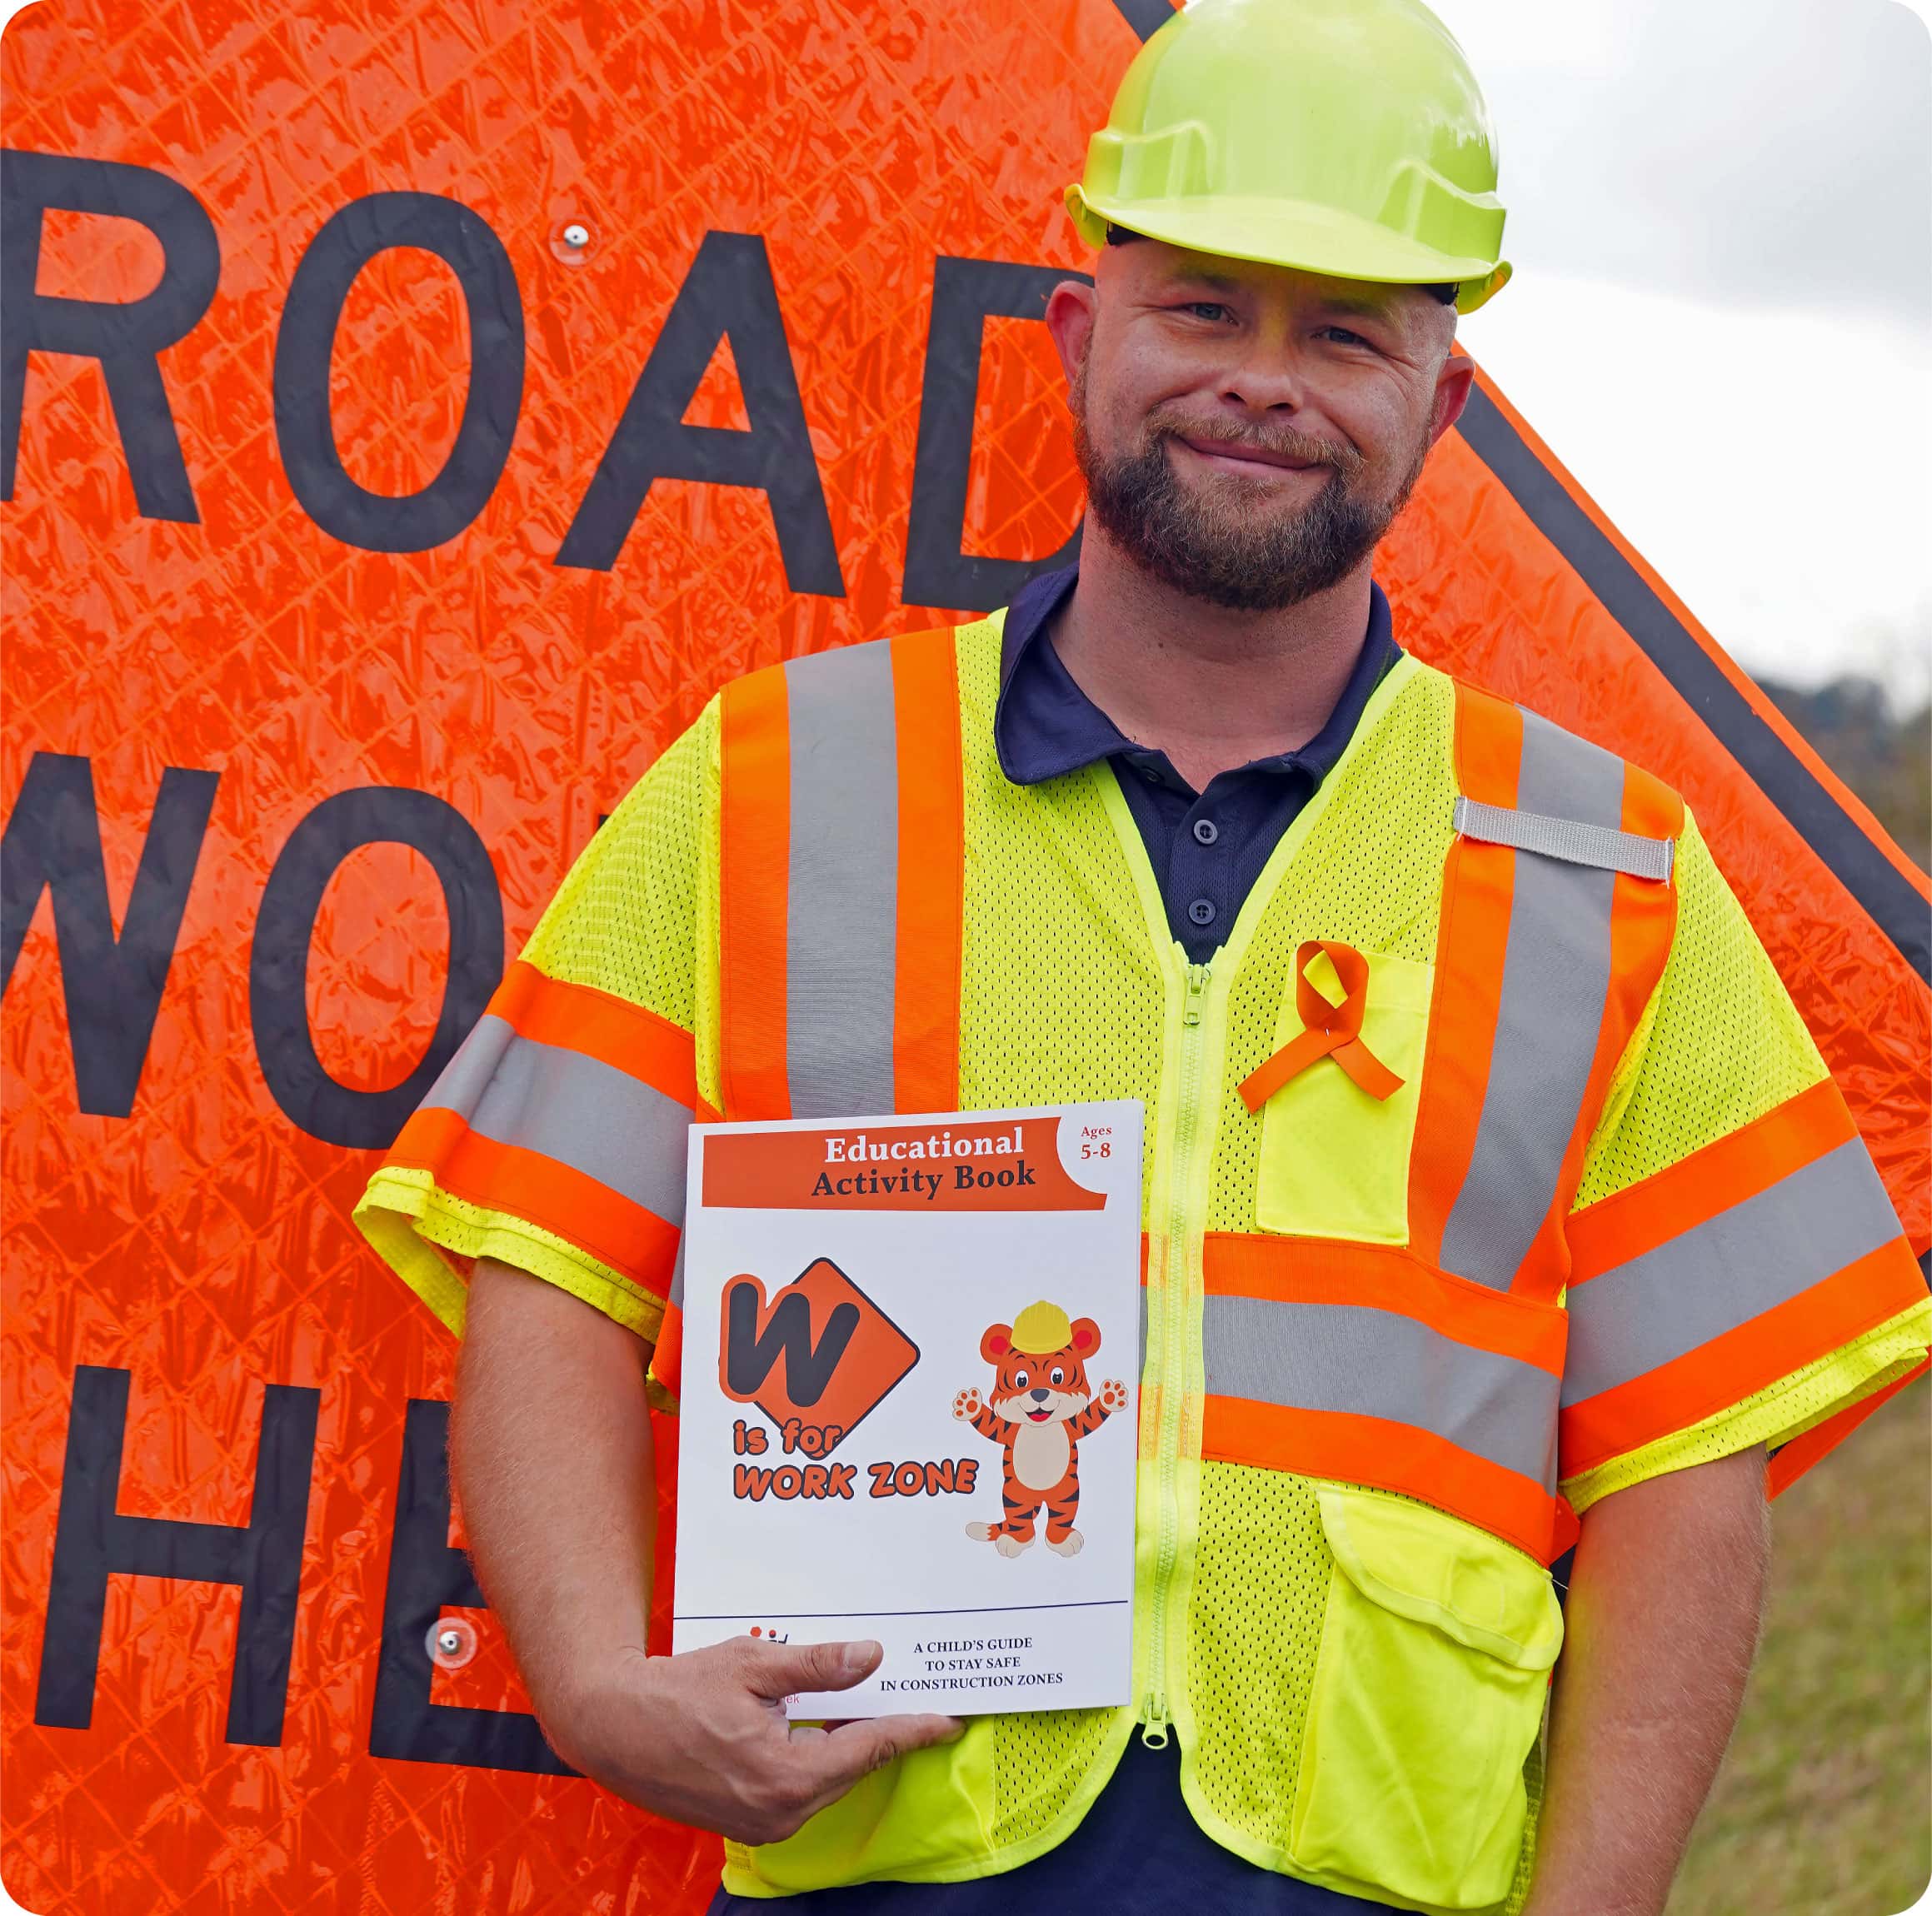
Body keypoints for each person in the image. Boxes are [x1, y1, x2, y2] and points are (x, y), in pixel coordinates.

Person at [353, 1, 1932, 1912]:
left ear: (1434, 407)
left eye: (1341, 330)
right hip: (893, 1865)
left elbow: (1682, 1463)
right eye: (1201, 307)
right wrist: (603, 1688)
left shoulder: (1598, 866)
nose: (1262, 380)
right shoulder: (775, 783)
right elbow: (542, 1258)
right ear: (1079, 338)